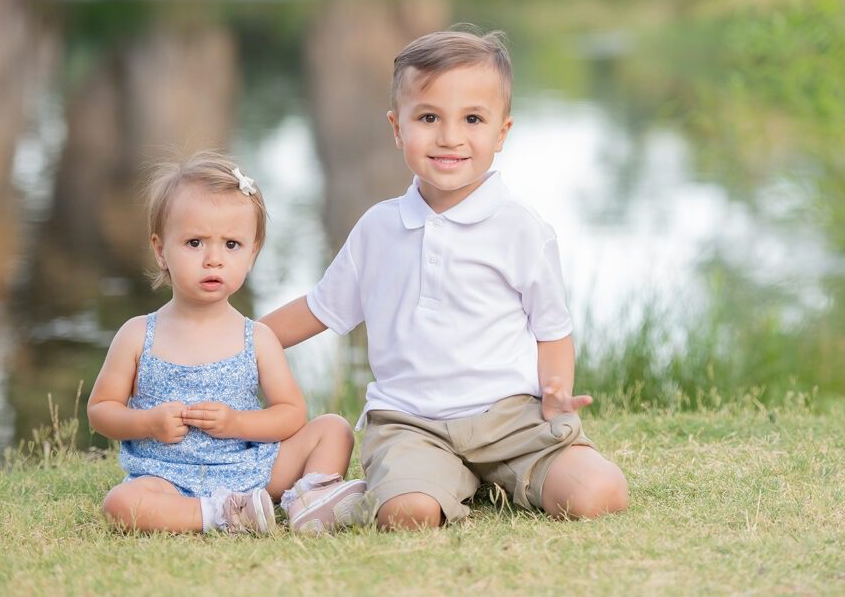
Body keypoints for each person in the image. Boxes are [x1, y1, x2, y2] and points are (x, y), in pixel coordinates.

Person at [261, 28, 629, 530]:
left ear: (501, 132)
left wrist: (556, 391)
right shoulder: (378, 229)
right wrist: (240, 341)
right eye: (429, 117)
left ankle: (494, 473)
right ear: (397, 128)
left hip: (513, 418)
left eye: (472, 119)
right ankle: (429, 478)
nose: (450, 137)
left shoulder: (522, 229)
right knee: (407, 515)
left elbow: (551, 330)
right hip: (411, 423)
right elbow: (318, 309)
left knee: (599, 493)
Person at [87, 152, 370, 535]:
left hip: (251, 471)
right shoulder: (138, 335)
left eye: (232, 245)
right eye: (195, 243)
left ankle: (308, 501)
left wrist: (236, 422)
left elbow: (290, 414)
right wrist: (148, 423)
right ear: (160, 250)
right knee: (121, 503)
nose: (213, 259)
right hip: (167, 477)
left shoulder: (257, 338)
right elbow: (101, 411)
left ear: (252, 254)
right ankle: (219, 514)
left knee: (334, 429)